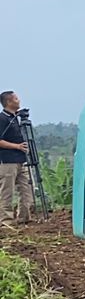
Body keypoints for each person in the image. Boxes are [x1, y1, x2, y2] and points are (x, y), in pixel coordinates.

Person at [0, 91, 34, 228]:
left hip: (21, 159)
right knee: (7, 192)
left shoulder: (16, 118)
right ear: (9, 102)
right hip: (7, 161)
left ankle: (24, 218)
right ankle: (5, 222)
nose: (18, 100)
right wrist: (17, 146)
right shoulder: (2, 119)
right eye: (16, 98)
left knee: (27, 188)